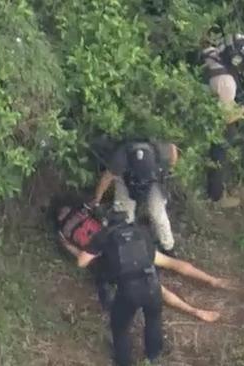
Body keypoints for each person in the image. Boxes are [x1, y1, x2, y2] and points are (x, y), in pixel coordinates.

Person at [51, 196, 230, 323]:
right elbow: (98, 211)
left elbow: (82, 261)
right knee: (171, 263)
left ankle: (194, 310)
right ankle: (213, 280)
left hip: (118, 260)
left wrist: (70, 248)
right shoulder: (83, 210)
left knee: (157, 287)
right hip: (131, 242)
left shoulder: (63, 231)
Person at [75, 207, 163, 366]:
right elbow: (150, 257)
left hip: (129, 289)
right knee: (153, 318)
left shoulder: (104, 235)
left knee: (120, 327)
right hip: (152, 282)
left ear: (106, 222)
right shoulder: (141, 232)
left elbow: (81, 262)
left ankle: (124, 362)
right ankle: (153, 356)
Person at [87, 139, 178, 256]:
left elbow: (172, 149)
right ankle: (126, 245)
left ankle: (169, 248)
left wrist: (169, 170)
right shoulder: (120, 158)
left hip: (153, 180)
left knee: (158, 214)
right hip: (125, 180)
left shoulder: (158, 151)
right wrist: (97, 200)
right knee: (123, 216)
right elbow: (106, 178)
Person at [201, 32, 244, 208]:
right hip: (212, 118)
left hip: (202, 103)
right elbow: (226, 118)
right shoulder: (227, 82)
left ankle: (223, 186)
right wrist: (242, 111)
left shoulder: (210, 54)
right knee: (220, 153)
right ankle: (217, 196)